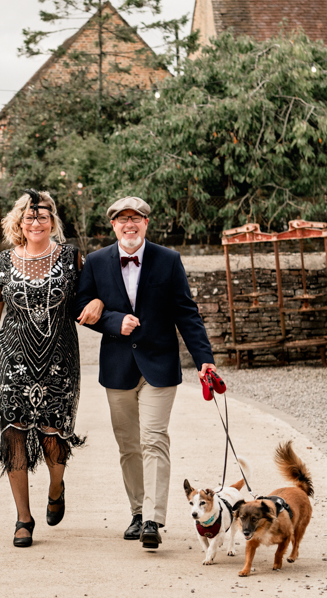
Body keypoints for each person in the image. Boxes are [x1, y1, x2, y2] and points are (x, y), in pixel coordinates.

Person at [0, 190, 104, 548]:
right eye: (29, 217)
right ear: (19, 223)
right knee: (14, 435)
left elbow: (93, 296)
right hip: (12, 359)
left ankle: (56, 488)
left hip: (60, 359)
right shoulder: (3, 263)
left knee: (55, 437)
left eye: (42, 217)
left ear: (53, 221)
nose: (36, 223)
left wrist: (99, 301)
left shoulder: (73, 258)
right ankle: (23, 518)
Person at [76, 196, 216, 550]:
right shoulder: (95, 262)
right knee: (128, 445)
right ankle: (137, 512)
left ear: (146, 223)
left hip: (160, 366)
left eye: (136, 218)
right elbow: (81, 308)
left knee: (154, 438)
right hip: (117, 367)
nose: (130, 224)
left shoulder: (168, 260)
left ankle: (153, 519)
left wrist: (205, 360)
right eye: (122, 219)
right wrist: (113, 320)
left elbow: (186, 312)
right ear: (113, 225)